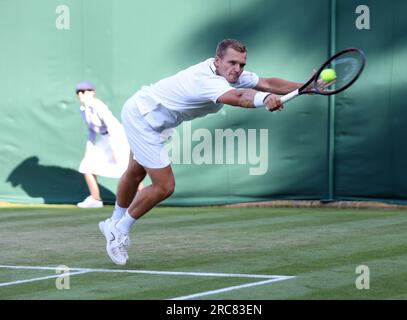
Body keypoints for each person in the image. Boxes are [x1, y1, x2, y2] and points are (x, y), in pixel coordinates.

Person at [98, 39, 308, 265]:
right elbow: (239, 97)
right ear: (218, 61)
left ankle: (114, 222)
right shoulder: (205, 79)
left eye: (241, 64)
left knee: (136, 172)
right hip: (142, 117)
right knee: (164, 186)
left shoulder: (232, 75)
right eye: (232, 63)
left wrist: (308, 86)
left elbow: (267, 82)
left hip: (152, 115)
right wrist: (265, 99)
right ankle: (120, 229)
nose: (237, 69)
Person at [75, 82, 131, 208]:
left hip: (117, 137)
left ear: (92, 92)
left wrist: (116, 147)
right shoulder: (83, 109)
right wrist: (88, 149)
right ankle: (95, 199)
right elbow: (91, 130)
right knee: (86, 166)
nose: (80, 94)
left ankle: (142, 196)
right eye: (78, 92)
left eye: (84, 91)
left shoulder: (97, 105)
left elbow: (111, 125)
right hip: (105, 139)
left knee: (128, 169)